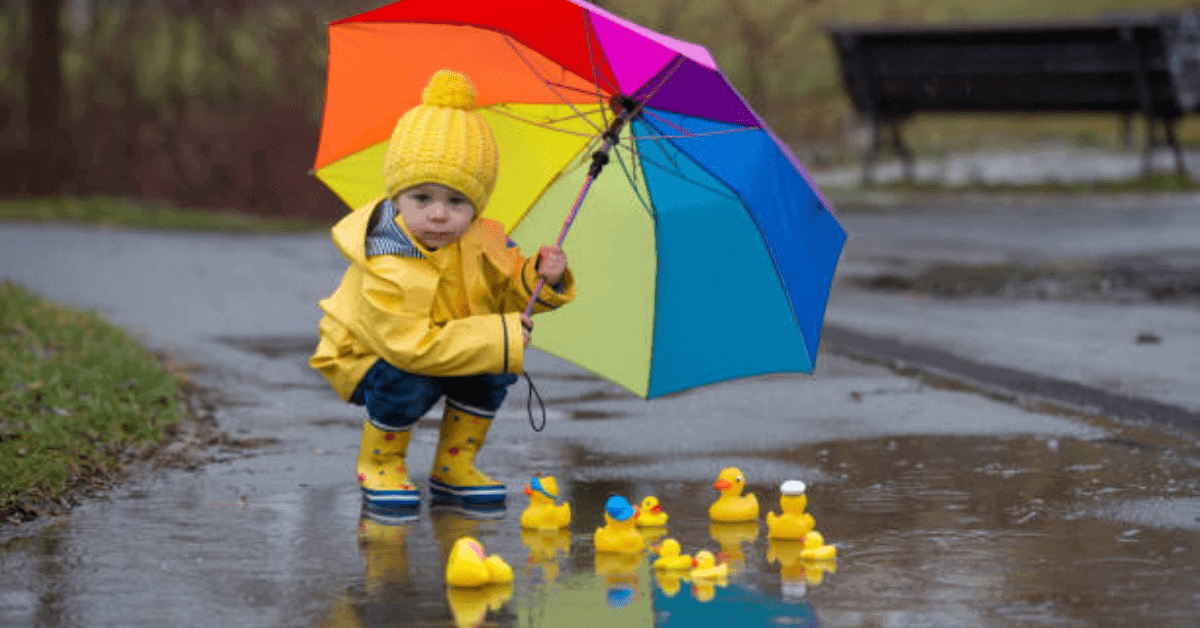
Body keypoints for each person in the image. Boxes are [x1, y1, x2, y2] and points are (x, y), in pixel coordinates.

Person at [310, 69, 575, 509]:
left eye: (456, 201)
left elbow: (507, 295)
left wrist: (540, 278)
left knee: (495, 363)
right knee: (415, 373)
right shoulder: (386, 260)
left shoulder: (483, 239)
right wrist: (500, 336)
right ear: (397, 198)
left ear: (477, 204)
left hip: (445, 344)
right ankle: (382, 462)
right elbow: (408, 347)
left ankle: (455, 465)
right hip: (375, 359)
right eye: (423, 198)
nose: (439, 215)